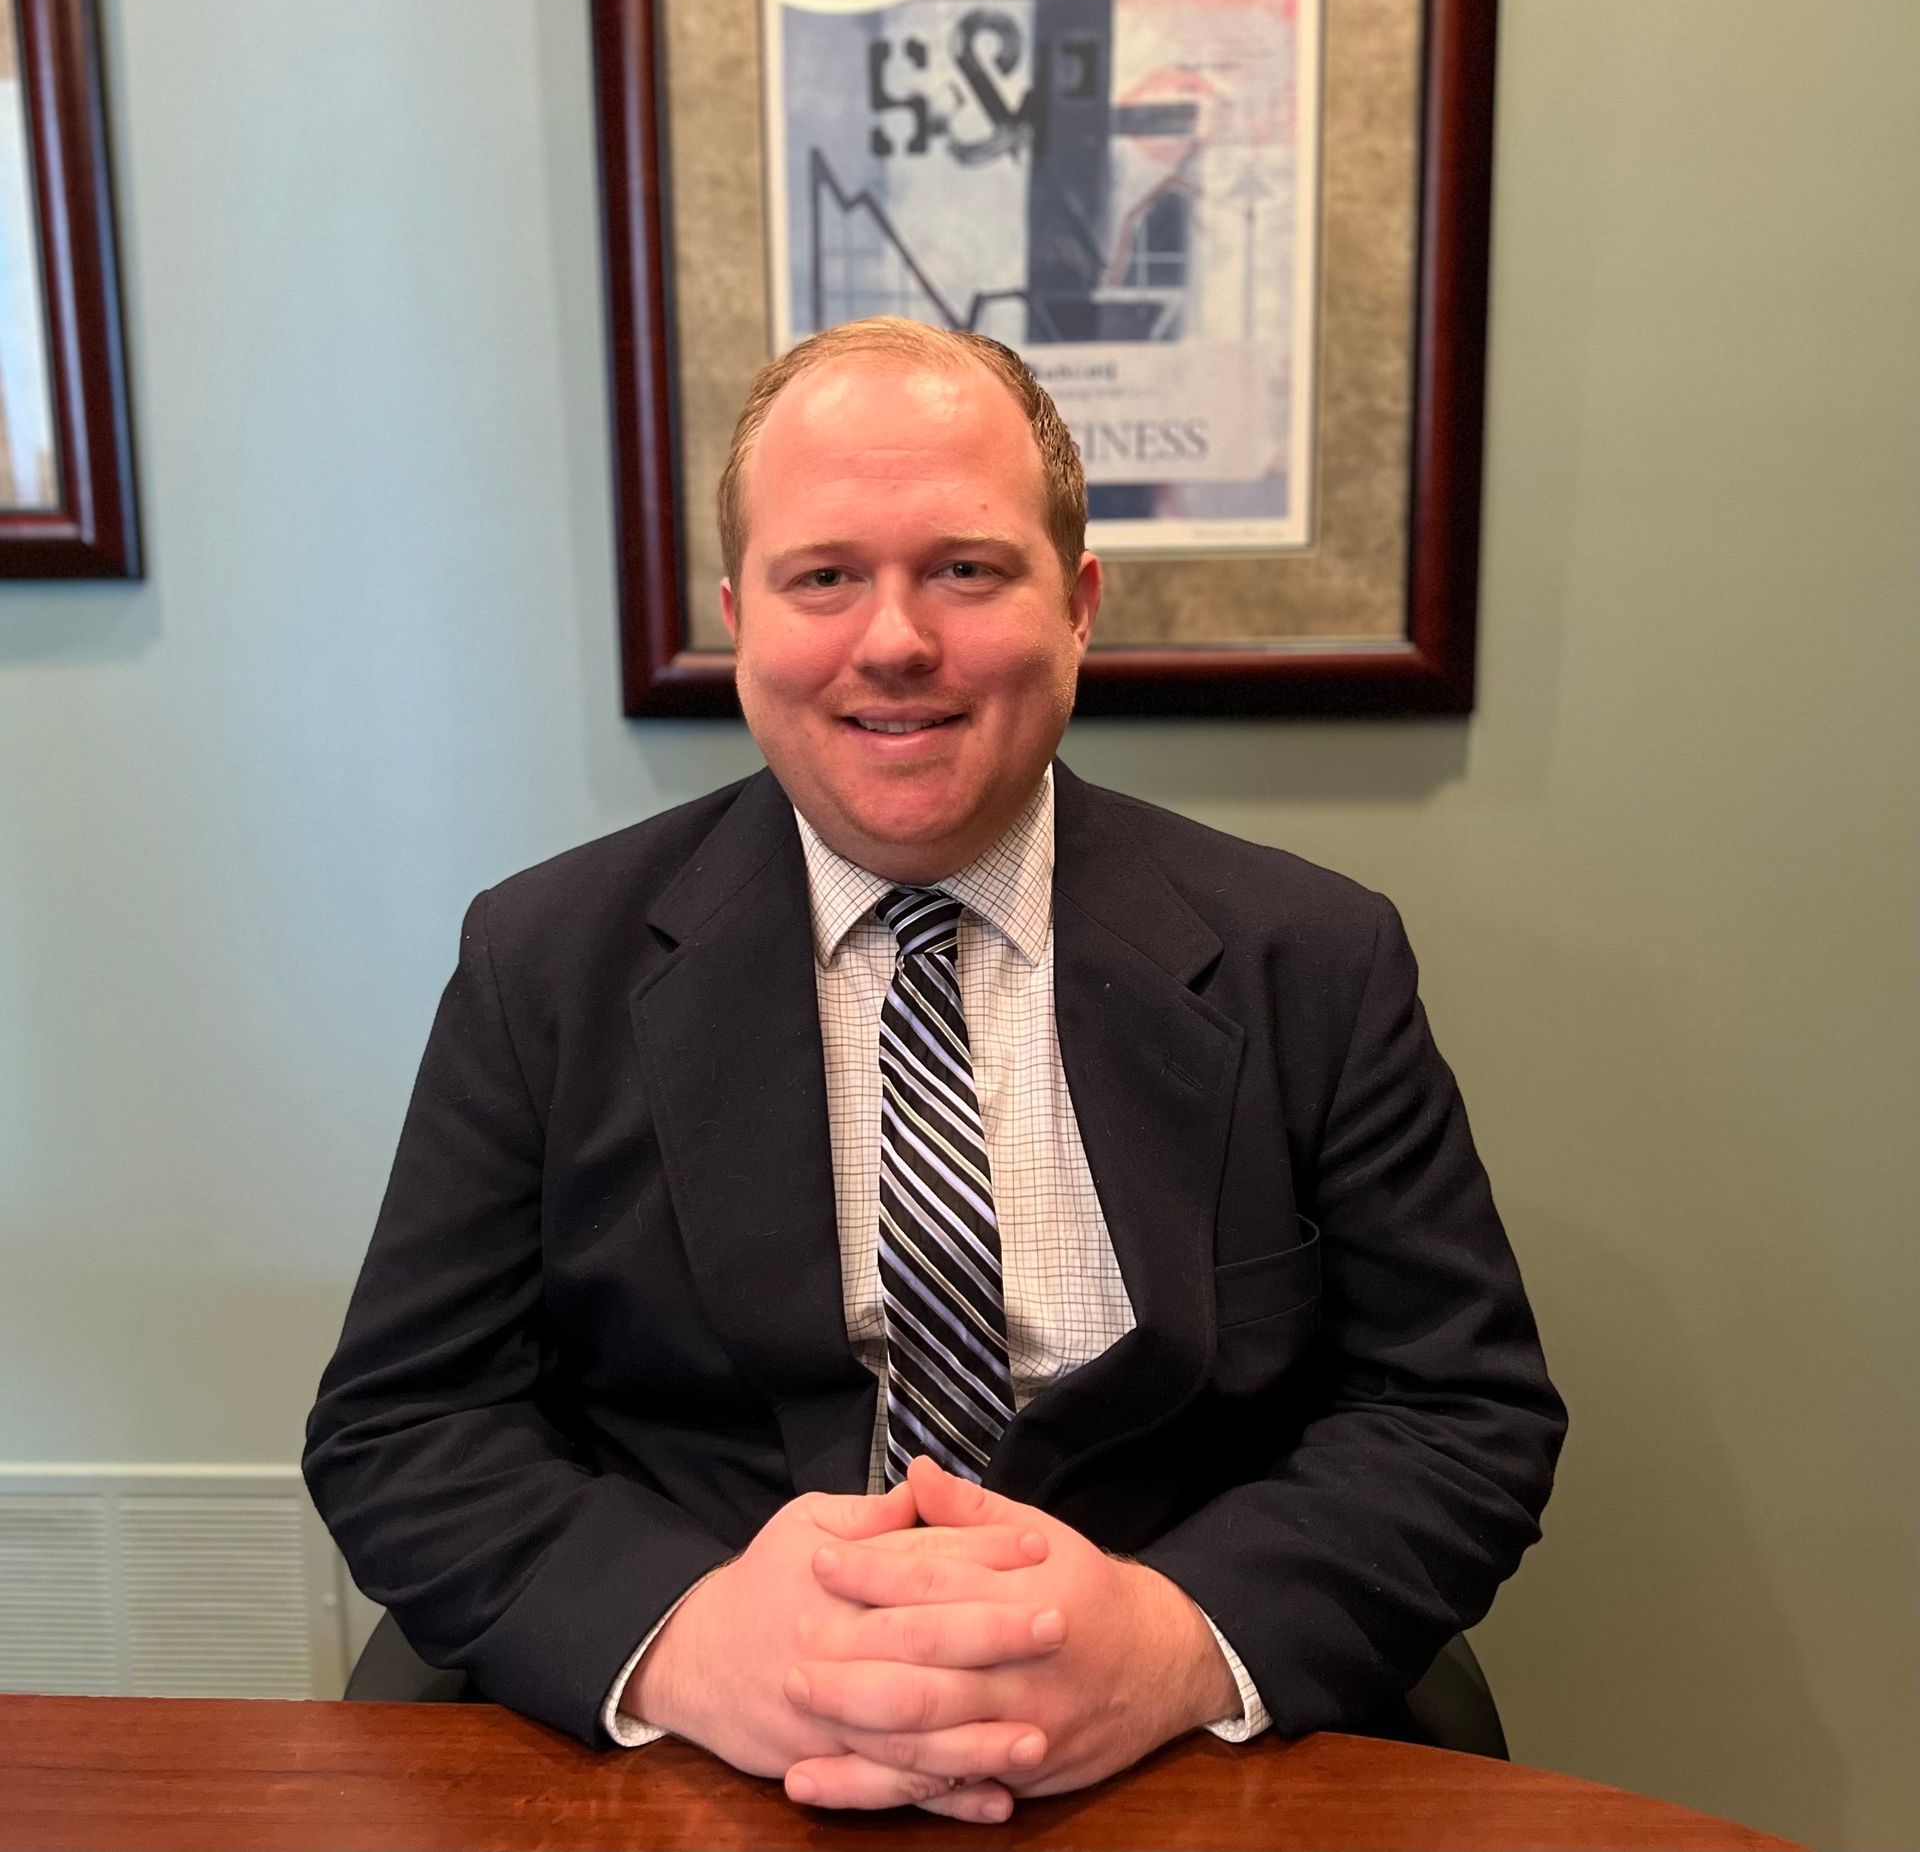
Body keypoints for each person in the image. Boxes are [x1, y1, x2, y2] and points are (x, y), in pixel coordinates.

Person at [304, 318, 1565, 1825]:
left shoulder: (1312, 960)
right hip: (699, 1761)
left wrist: (1171, 1646)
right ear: (739, 620)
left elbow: (1457, 1413)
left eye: (965, 569)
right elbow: (405, 1425)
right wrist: (691, 1644)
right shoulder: (544, 966)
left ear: (1077, 607)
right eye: (823, 577)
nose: (894, 640)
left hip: (1170, 1759)